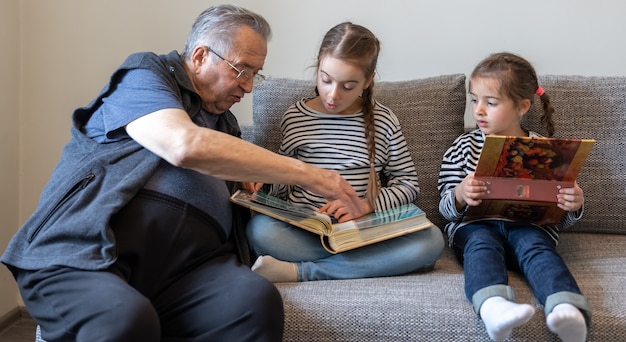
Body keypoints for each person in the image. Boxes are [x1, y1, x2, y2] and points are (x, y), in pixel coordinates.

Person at [1, 5, 366, 342]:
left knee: (254, 300)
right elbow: (183, 145)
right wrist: (314, 175)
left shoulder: (226, 125)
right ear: (201, 55)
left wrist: (245, 188)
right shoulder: (146, 74)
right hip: (88, 256)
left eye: (256, 74)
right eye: (242, 70)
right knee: (126, 320)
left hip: (187, 272)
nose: (249, 86)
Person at [245, 22, 444, 283]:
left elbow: (408, 184)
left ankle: (304, 271)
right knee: (260, 230)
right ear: (318, 66)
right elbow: (284, 185)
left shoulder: (384, 120)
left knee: (430, 240)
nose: (333, 95)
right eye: (326, 80)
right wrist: (264, 188)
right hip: (306, 231)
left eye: (348, 86)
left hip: (364, 233)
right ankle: (363, 264)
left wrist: (364, 206)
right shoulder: (295, 117)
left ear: (368, 80)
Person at [437, 52, 591, 342]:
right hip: (475, 228)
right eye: (474, 100)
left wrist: (573, 203)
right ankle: (493, 307)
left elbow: (561, 218)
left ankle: (566, 308)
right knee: (481, 244)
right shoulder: (462, 148)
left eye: (491, 102)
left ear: (522, 106)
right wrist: (459, 194)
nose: (478, 110)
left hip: (529, 227)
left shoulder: (545, 150)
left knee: (537, 248)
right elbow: (445, 209)